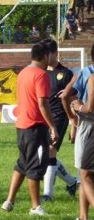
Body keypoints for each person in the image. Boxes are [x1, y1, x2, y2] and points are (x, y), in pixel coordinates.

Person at [1, 42, 59, 216]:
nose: (53, 57)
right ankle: (35, 207)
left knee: (23, 163)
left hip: (22, 125)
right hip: (35, 126)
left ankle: (9, 201)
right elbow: (42, 104)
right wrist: (52, 126)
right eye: (51, 54)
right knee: (35, 165)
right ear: (44, 56)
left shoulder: (24, 72)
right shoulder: (41, 75)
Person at [40, 39, 77, 201]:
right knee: (44, 154)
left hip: (59, 118)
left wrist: (74, 121)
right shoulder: (41, 73)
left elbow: (73, 98)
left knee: (49, 152)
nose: (45, 57)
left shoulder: (66, 74)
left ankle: (48, 194)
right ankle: (72, 182)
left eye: (47, 54)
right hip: (43, 118)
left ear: (55, 54)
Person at [61, 43, 94, 220]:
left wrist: (73, 119)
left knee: (84, 173)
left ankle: (84, 216)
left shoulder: (87, 73)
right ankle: (82, 216)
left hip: (88, 126)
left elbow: (65, 96)